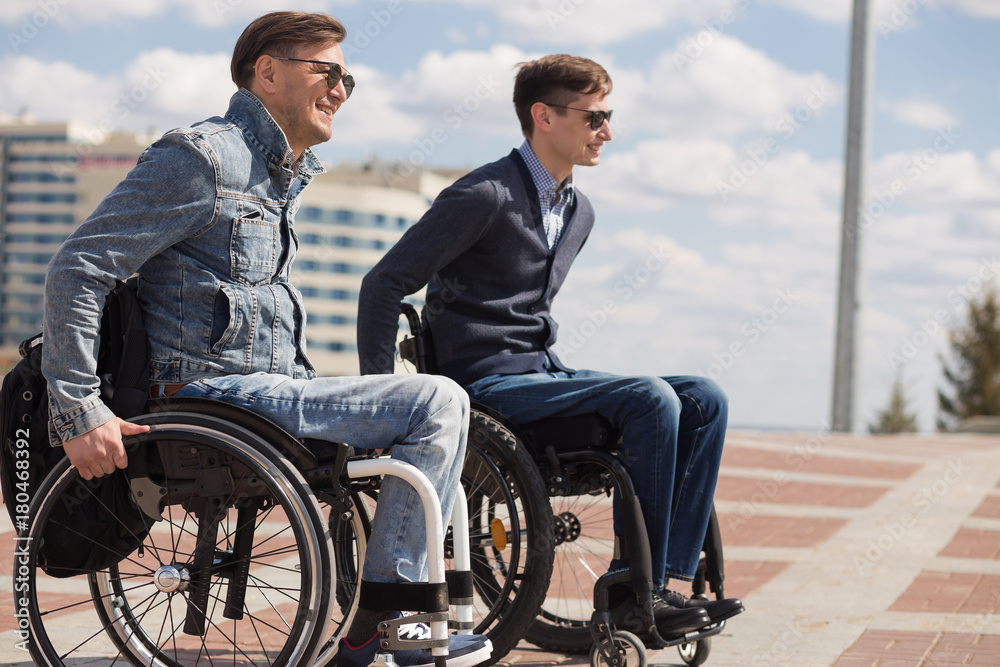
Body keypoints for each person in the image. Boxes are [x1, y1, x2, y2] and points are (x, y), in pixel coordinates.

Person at [41, 11, 491, 667]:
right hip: (207, 397)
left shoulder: (279, 174)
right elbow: (79, 268)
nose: (341, 90)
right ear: (269, 72)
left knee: (435, 410)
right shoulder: (201, 158)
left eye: (349, 79)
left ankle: (404, 618)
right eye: (329, 73)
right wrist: (81, 409)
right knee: (436, 401)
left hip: (268, 393)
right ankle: (385, 627)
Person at [357, 54, 744, 640]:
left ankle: (664, 583)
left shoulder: (579, 211)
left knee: (703, 397)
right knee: (650, 398)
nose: (607, 132)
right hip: (484, 386)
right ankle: (629, 591)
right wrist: (380, 399)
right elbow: (383, 283)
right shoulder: (484, 195)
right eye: (595, 118)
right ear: (543, 115)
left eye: (608, 117)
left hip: (542, 374)